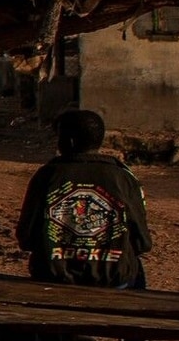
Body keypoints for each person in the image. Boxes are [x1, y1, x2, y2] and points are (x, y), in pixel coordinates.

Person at [17, 107, 152, 289]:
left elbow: (26, 238)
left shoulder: (47, 175)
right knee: (135, 269)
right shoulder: (124, 177)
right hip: (114, 278)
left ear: (69, 141)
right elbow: (142, 242)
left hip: (52, 277)